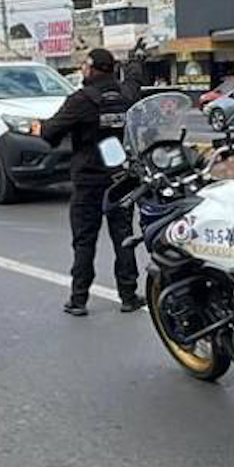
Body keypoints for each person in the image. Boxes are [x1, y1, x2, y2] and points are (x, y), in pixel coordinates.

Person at [41, 48, 141, 316]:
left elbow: (50, 133)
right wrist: (133, 65)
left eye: (85, 65)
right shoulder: (125, 96)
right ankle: (129, 296)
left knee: (85, 240)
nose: (83, 69)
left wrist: (42, 126)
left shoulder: (81, 100)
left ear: (94, 68)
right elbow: (134, 82)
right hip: (121, 179)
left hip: (88, 182)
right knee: (123, 237)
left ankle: (78, 299)